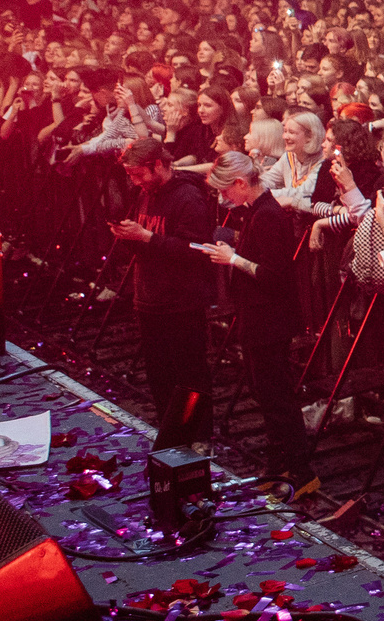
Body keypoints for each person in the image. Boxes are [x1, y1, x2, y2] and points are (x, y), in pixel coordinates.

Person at [200, 152, 315, 496]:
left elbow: (273, 275)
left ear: (239, 183)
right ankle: (279, 465)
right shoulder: (255, 213)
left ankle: (301, 471)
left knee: (277, 396)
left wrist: (232, 258)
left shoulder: (268, 216)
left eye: (226, 190)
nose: (224, 198)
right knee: (264, 393)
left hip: (270, 318)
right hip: (257, 315)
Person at [109, 138, 217, 449]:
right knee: (158, 374)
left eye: (139, 173)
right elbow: (145, 244)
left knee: (190, 373)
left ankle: (199, 436)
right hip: (149, 299)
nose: (135, 181)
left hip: (182, 301)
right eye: (130, 175)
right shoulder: (145, 193)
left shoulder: (188, 198)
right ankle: (171, 433)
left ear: (159, 165)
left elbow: (196, 251)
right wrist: (128, 236)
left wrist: (147, 237)